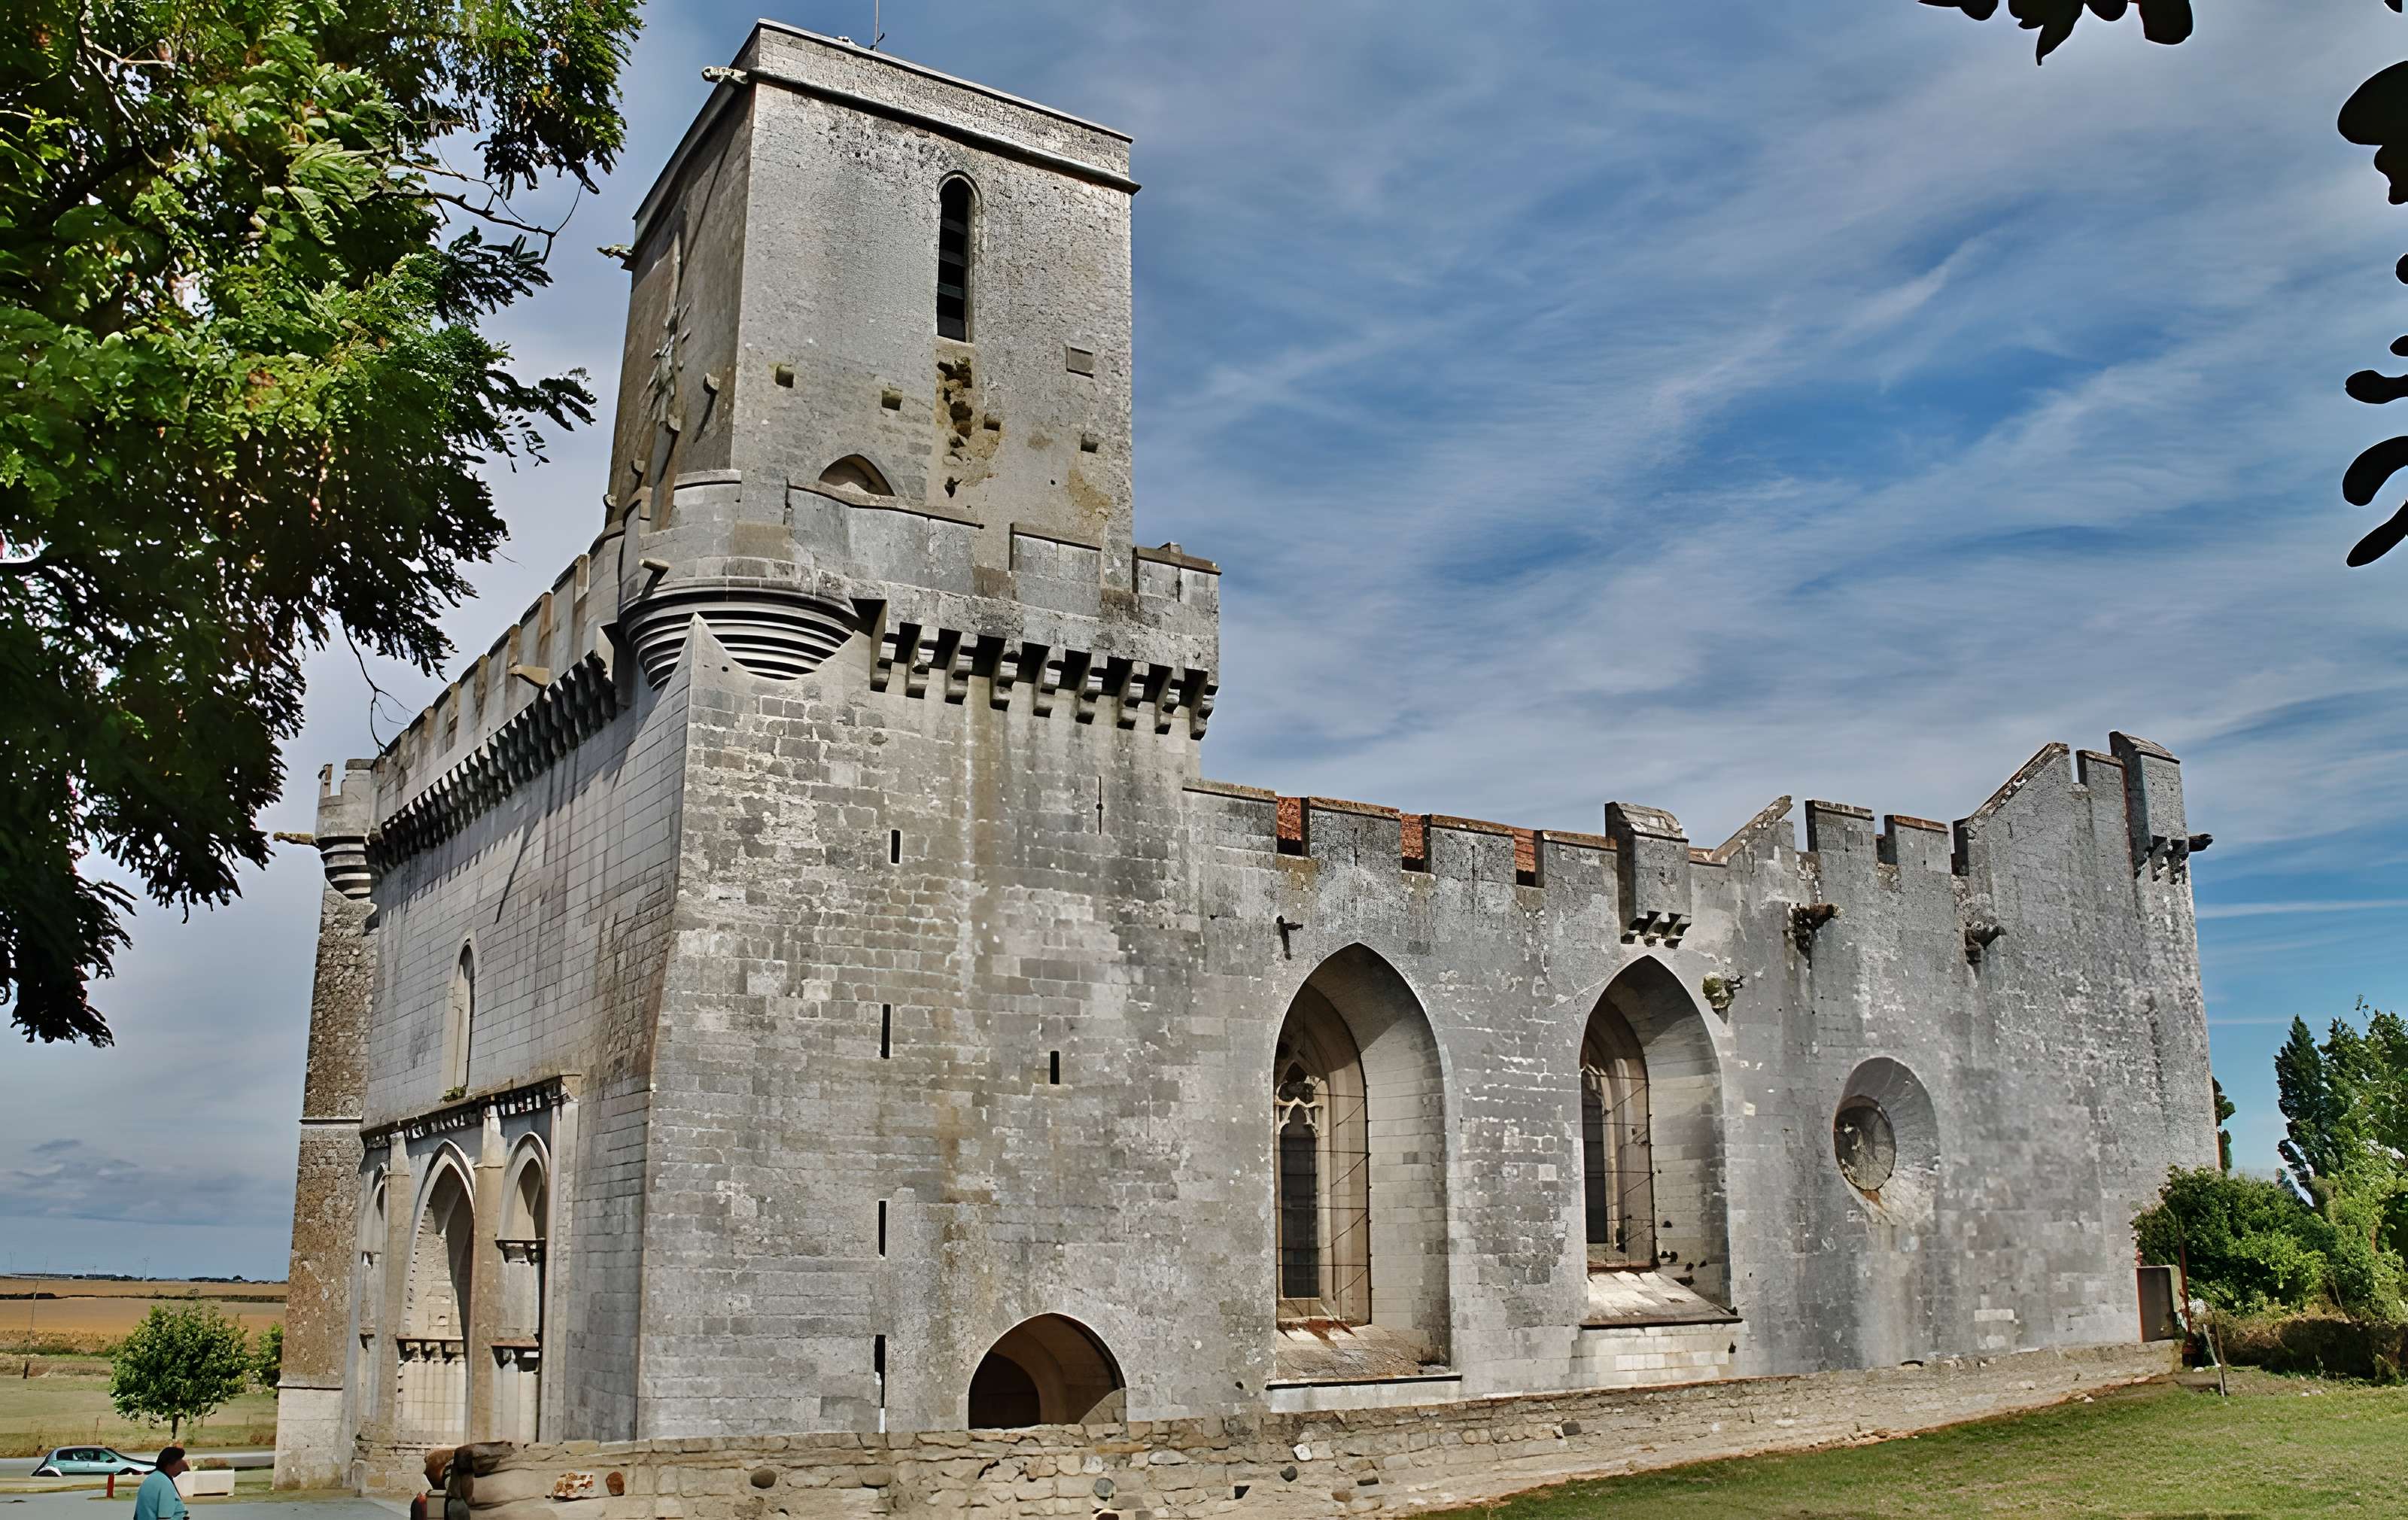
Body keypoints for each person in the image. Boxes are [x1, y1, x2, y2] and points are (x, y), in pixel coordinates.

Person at [131, 1447, 187, 1520]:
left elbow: (137, 1515)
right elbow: (165, 1517)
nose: (183, 1465)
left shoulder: (150, 1479)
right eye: (180, 1461)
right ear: (171, 1464)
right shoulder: (164, 1484)